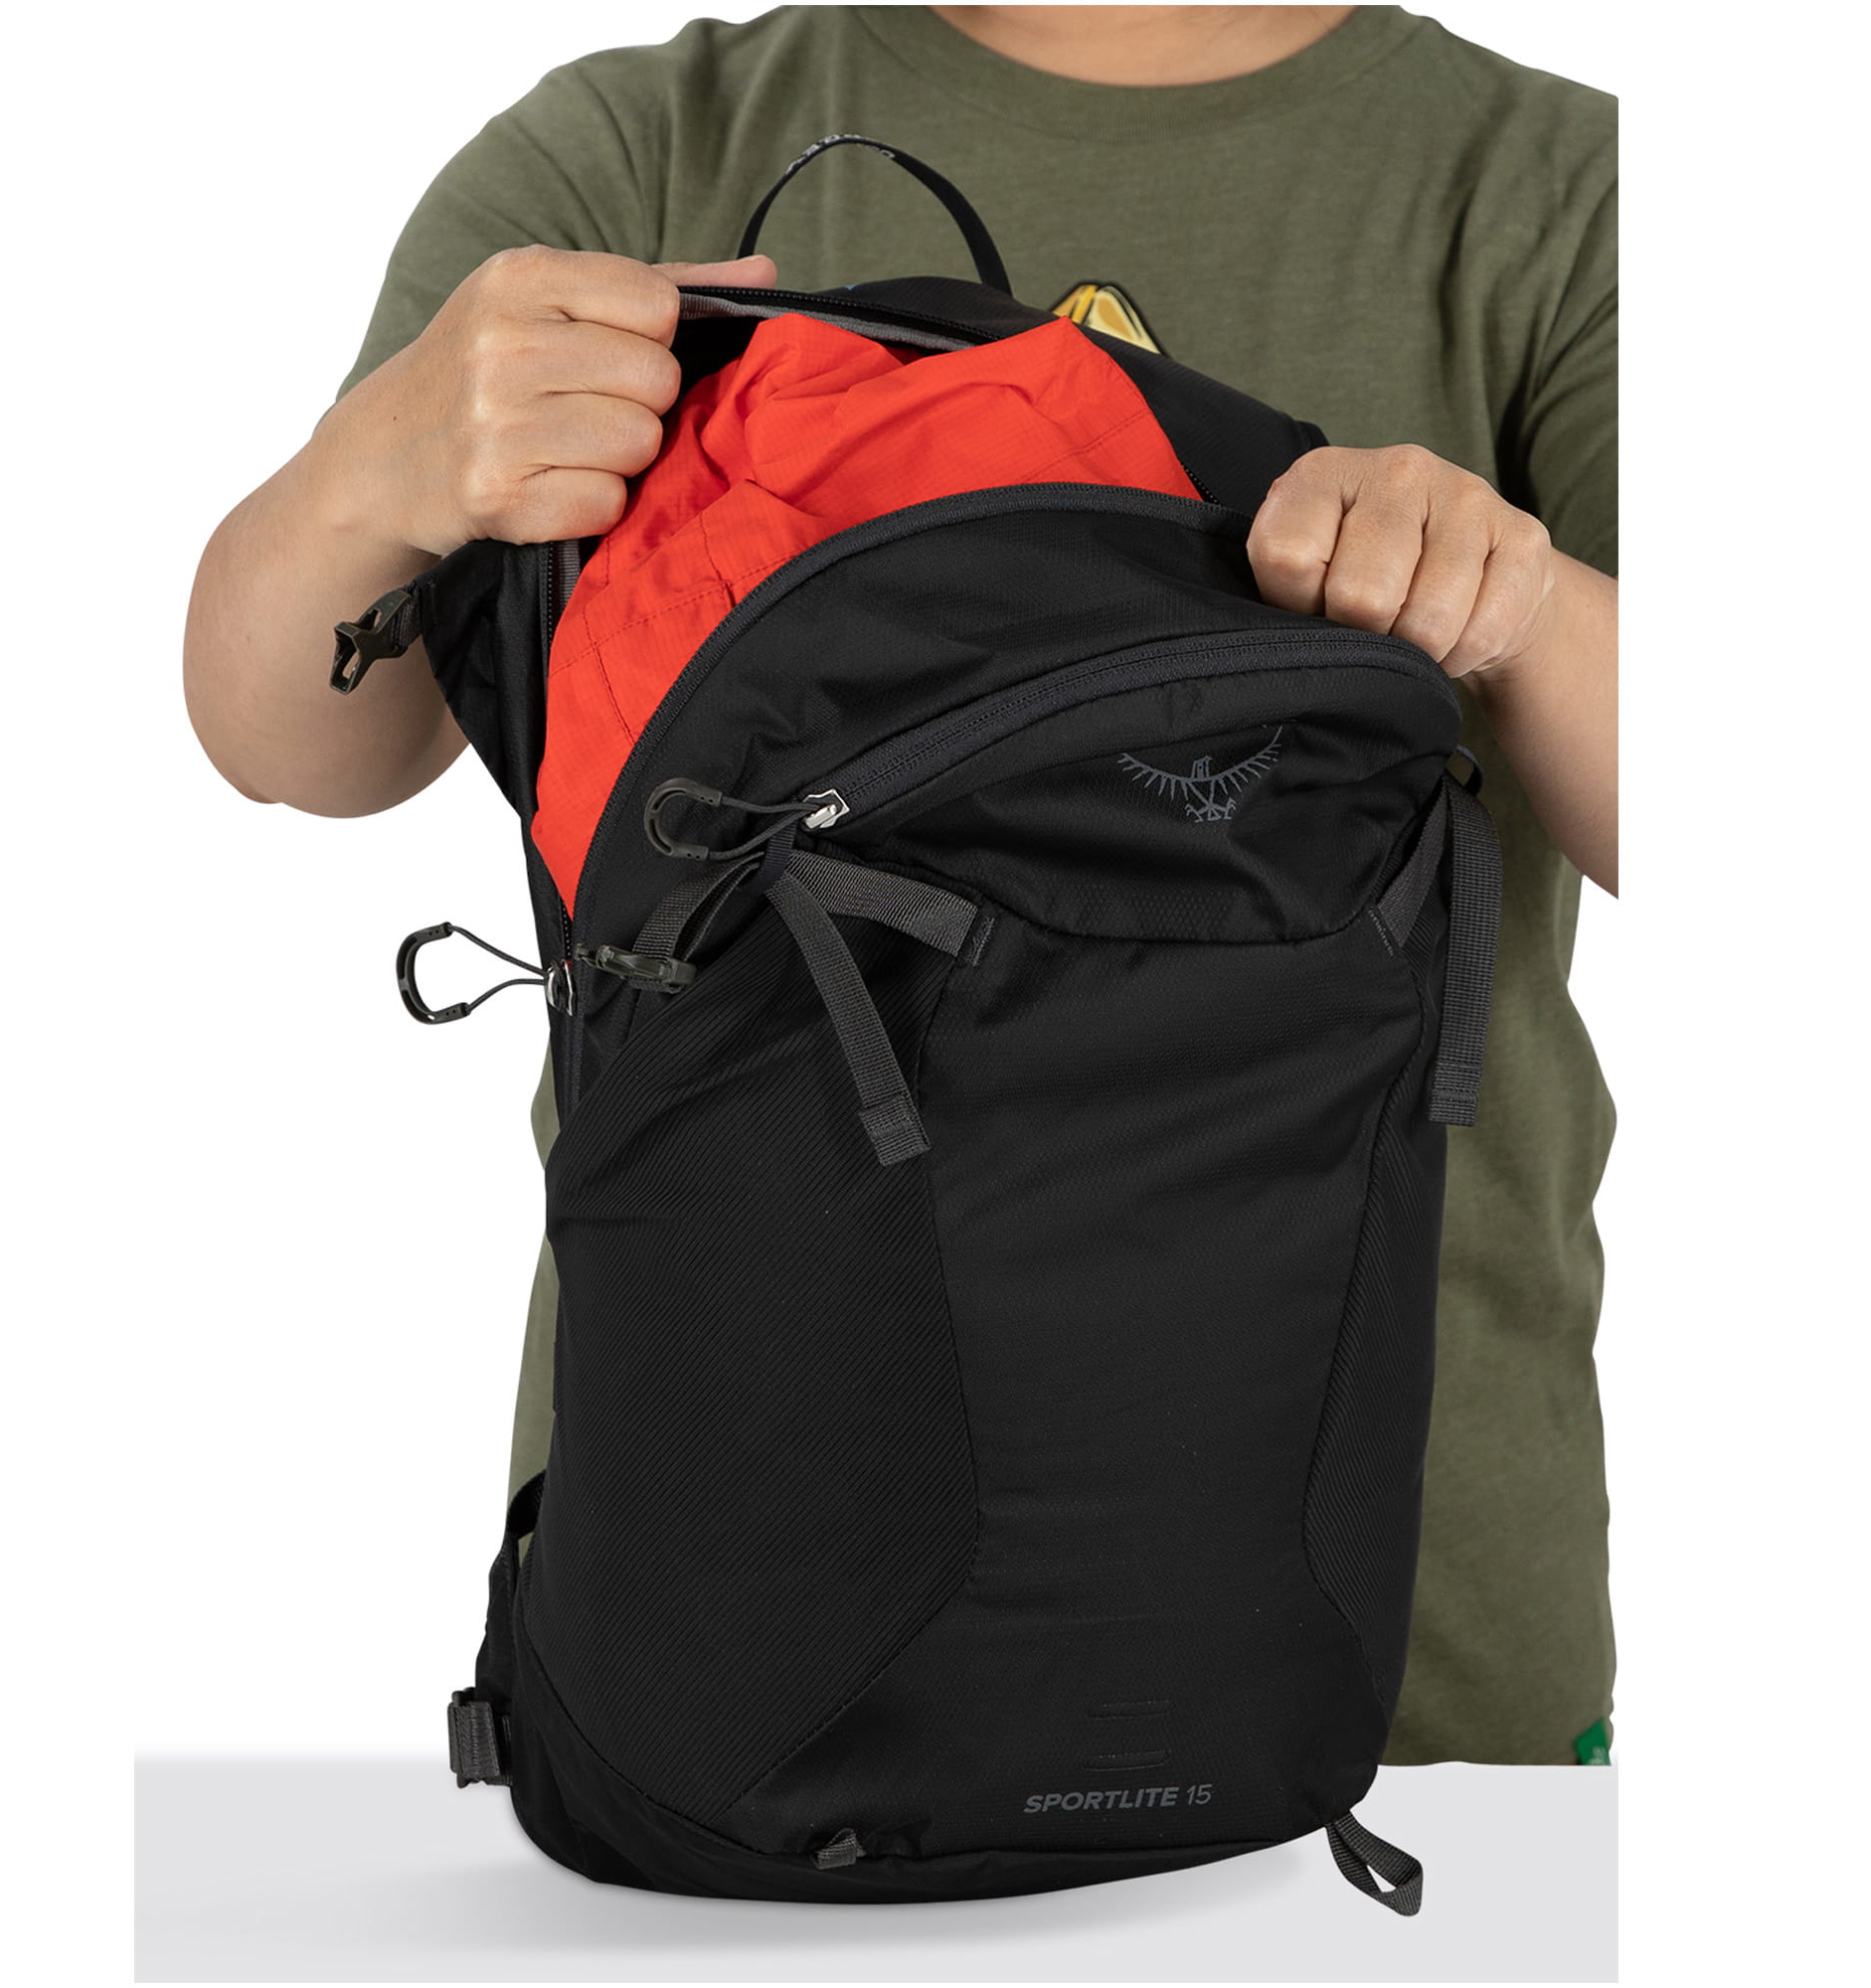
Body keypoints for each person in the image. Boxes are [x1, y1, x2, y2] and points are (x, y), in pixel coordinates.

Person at [184, 4, 1617, 1768]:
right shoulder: (637, 152)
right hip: (741, 1626)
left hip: (1418, 1673)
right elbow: (308, 744)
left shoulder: (1551, 193)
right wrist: (370, 479)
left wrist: (1520, 605)